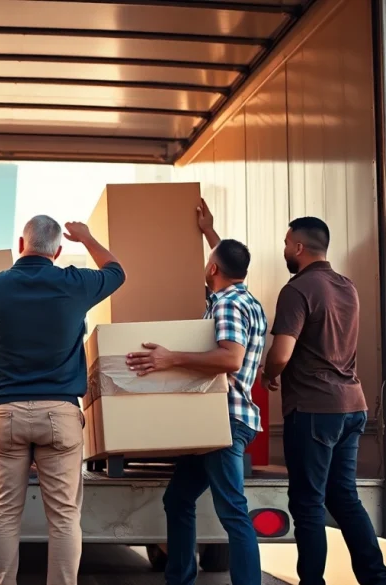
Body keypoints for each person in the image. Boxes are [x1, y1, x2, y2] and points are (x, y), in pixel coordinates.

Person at [0, 216, 125, 585]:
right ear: (57, 251)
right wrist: (87, 237)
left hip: (3, 415)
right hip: (59, 414)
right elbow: (117, 271)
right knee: (64, 518)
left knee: (3, 516)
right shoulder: (76, 283)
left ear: (21, 244)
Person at [125, 199, 266, 585]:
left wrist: (171, 358)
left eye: (209, 261)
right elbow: (228, 264)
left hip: (224, 421)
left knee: (233, 510)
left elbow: (231, 359)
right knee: (178, 499)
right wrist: (209, 232)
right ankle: (180, 579)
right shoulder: (244, 298)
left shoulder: (228, 306)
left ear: (213, 268)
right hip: (209, 425)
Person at [260, 217, 386, 585]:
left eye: (287, 243)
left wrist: (269, 373)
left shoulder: (298, 289)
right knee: (344, 497)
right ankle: (378, 580)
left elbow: (282, 352)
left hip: (314, 411)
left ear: (299, 247)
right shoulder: (346, 286)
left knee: (307, 505)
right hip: (352, 406)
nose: (285, 249)